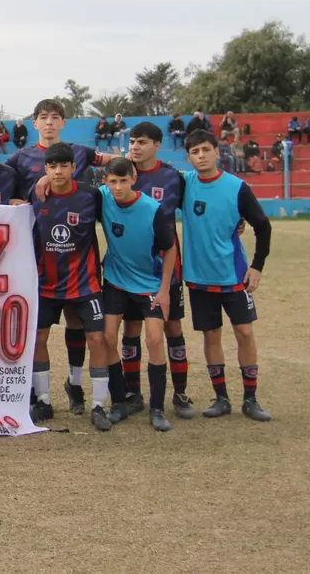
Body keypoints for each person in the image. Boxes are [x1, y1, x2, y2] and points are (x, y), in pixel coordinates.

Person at [0, 98, 110, 413]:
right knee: (37, 331)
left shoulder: (79, 153)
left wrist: (130, 159)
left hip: (75, 251)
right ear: (34, 123)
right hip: (36, 252)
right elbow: (1, 183)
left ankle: (76, 385)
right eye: (44, 117)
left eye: (56, 117)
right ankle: (38, 397)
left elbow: (111, 162)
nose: (50, 122)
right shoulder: (19, 158)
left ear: (63, 123)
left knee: (77, 324)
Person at [29, 143, 128, 431]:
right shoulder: (35, 195)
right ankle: (44, 401)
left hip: (85, 283)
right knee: (38, 338)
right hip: (45, 284)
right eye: (52, 167)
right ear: (45, 169)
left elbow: (122, 205)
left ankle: (98, 405)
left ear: (75, 168)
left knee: (98, 340)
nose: (58, 171)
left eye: (64, 166)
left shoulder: (92, 196)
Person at [181, 130, 272, 422]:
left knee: (244, 332)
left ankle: (251, 398)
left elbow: (263, 225)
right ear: (189, 157)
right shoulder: (184, 183)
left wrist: (256, 266)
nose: (201, 155)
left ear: (217, 152)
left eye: (206, 149)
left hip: (233, 275)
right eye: (195, 151)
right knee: (211, 335)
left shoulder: (237, 187)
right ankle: (221, 398)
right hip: (198, 277)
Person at [119, 123, 195, 419]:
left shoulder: (174, 178)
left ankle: (180, 393)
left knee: (172, 328)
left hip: (165, 268)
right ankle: (133, 393)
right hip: (129, 269)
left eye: (142, 142)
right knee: (131, 329)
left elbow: (197, 208)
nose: (135, 146)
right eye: (132, 141)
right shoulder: (123, 171)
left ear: (157, 145)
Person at [99, 158, 178, 431]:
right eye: (112, 182)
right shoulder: (102, 198)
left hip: (149, 283)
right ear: (105, 182)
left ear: (134, 178)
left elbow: (170, 249)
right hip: (116, 280)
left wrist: (165, 290)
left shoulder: (153, 209)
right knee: (107, 337)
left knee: (155, 339)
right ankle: (120, 402)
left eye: (123, 181)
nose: (118, 187)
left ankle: (157, 408)